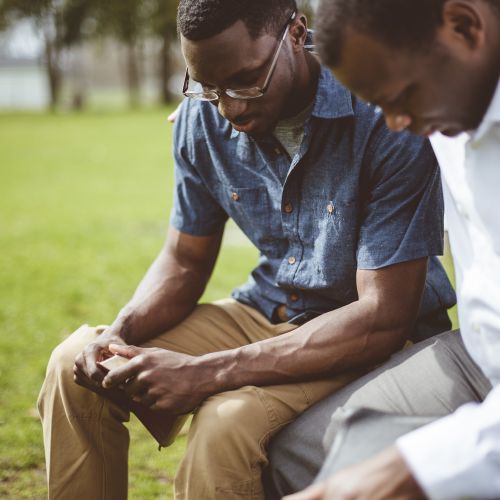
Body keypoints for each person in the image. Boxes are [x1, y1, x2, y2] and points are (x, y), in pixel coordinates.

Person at [37, 0, 456, 499]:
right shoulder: (203, 115)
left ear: (296, 32)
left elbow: (382, 315)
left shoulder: (381, 115)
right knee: (75, 368)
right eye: (208, 87)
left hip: (357, 330)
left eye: (245, 81)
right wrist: (121, 332)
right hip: (267, 306)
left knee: (224, 421)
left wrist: (207, 373)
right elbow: (184, 259)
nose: (230, 107)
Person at [268, 0, 500, 498]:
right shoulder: (444, 95)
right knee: (298, 452)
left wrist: (411, 469)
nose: (395, 122)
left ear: (464, 25)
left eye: (401, 97)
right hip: (478, 355)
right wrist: (230, 92)